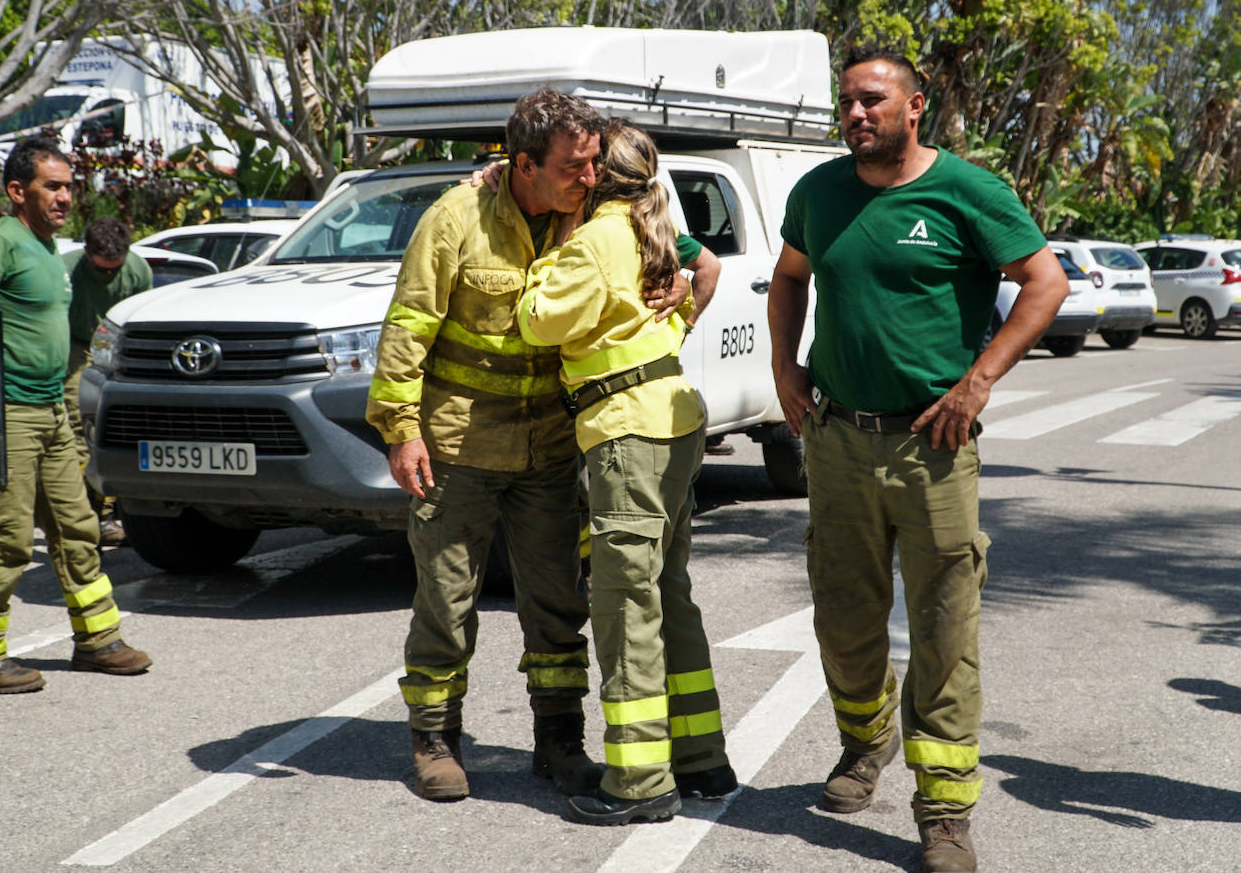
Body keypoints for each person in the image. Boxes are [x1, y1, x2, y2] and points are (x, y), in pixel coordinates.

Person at [767, 47, 1067, 872]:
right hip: (836, 442)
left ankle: (943, 813)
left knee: (943, 629)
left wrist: (976, 385)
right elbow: (789, 278)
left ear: (914, 106)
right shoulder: (819, 193)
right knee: (843, 613)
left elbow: (1044, 285)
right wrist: (784, 368)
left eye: (873, 100)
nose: (857, 115)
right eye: (847, 103)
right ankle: (865, 746)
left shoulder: (968, 192)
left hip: (932, 448)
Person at [365, 88, 700, 803]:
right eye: (575, 166)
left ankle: (559, 741)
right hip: (458, 447)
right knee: (447, 600)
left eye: (592, 164)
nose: (590, 178)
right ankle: (435, 737)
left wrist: (685, 290)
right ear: (524, 164)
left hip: (549, 446)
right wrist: (401, 430)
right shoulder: (456, 218)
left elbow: (669, 266)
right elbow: (409, 325)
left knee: (555, 602)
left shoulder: (583, 216)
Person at [517, 119, 737, 825]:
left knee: (623, 605)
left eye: (584, 165)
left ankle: (639, 781)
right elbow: (708, 270)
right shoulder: (652, 225)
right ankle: (701, 760)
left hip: (625, 432)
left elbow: (535, 319)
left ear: (596, 178)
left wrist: (550, 254)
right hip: (671, 417)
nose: (575, 174)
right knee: (668, 592)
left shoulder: (597, 238)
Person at [0, 137, 153, 695]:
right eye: (52, 186)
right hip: (8, 413)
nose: (65, 197)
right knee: (9, 539)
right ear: (17, 190)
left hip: (50, 412)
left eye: (69, 186)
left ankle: (98, 642)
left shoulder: (47, 247)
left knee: (78, 527)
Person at [53, 218, 152, 546]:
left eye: (115, 269)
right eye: (101, 270)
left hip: (118, 346)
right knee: (82, 425)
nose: (108, 275)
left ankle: (112, 509)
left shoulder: (138, 270)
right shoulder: (65, 269)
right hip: (76, 345)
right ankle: (90, 513)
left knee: (118, 428)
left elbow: (143, 319)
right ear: (87, 254)